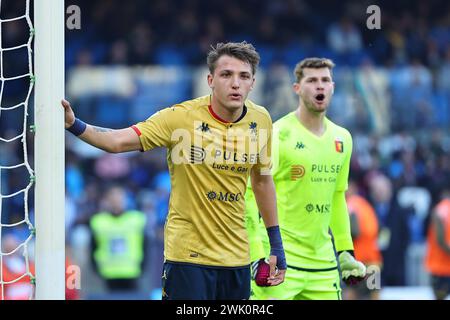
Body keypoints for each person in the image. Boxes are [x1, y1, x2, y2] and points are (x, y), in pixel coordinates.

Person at [62, 41, 286, 300]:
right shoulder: (179, 118)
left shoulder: (261, 120)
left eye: (243, 76)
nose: (235, 83)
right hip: (188, 258)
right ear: (210, 79)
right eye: (226, 74)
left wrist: (276, 245)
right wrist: (74, 124)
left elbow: (261, 182)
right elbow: (117, 141)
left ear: (253, 83)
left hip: (237, 257)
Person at [246, 57, 365, 300]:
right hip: (279, 260)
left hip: (324, 265)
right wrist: (256, 255)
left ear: (332, 87)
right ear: (297, 88)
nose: (319, 86)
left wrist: (345, 250)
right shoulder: (278, 134)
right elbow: (250, 194)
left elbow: (337, 195)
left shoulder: (343, 138)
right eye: (311, 80)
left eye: (325, 80)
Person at [89, 186, 147, 293]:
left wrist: (143, 266)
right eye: (113, 197)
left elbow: (145, 244)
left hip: (132, 271)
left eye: (119, 196)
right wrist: (95, 267)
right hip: (108, 272)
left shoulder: (136, 219)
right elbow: (93, 247)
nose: (116, 200)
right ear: (107, 200)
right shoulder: (98, 221)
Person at [345, 179, 382, 300]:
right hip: (373, 261)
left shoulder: (350, 205)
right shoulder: (365, 204)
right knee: (374, 294)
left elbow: (355, 230)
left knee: (351, 293)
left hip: (357, 262)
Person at [424, 189, 450, 300]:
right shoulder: (442, 211)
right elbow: (441, 241)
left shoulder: (439, 211)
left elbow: (440, 240)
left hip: (439, 267)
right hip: (441, 267)